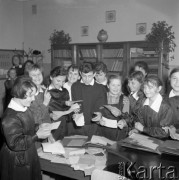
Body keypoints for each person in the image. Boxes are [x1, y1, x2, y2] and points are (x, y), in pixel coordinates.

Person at [0, 76, 51, 180]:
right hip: (17, 159)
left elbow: (26, 127)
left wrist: (38, 127)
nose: (33, 99)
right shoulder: (10, 117)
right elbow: (15, 143)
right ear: (19, 94)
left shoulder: (24, 108)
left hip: (27, 152)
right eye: (30, 96)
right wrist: (37, 136)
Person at [69, 62, 107, 137]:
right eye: (84, 76)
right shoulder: (75, 86)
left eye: (89, 76)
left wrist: (100, 113)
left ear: (94, 74)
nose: (87, 79)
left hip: (95, 126)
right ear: (80, 73)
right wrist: (74, 111)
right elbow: (75, 104)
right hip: (78, 125)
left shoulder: (101, 88)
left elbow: (102, 106)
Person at [48, 66, 79, 140]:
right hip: (52, 127)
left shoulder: (65, 91)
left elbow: (66, 111)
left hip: (64, 126)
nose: (61, 84)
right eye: (58, 81)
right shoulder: (46, 93)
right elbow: (48, 112)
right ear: (51, 77)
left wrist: (72, 111)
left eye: (63, 81)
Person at [97, 75, 129, 141]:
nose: (116, 88)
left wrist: (124, 122)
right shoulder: (101, 97)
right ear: (108, 85)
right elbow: (95, 114)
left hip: (118, 134)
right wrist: (98, 121)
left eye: (118, 85)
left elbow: (128, 118)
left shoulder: (125, 99)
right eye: (113, 85)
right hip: (102, 133)